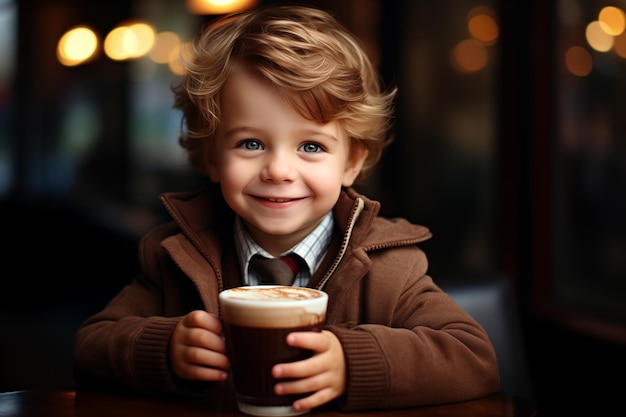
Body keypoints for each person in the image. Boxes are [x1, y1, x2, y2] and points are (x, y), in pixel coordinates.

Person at [72, 4, 500, 413]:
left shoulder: (389, 267)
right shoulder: (174, 255)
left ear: (351, 162)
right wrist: (163, 351)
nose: (278, 170)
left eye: (310, 146)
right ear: (212, 157)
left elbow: (473, 357)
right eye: (251, 144)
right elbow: (90, 347)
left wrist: (352, 364)